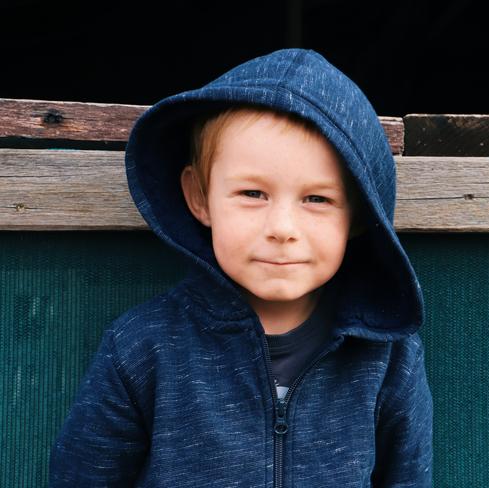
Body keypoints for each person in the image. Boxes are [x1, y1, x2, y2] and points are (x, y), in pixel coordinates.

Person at [49, 48, 433, 487]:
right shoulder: (141, 348)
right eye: (253, 193)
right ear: (199, 197)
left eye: (317, 199)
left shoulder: (388, 357)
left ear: (359, 215)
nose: (282, 228)